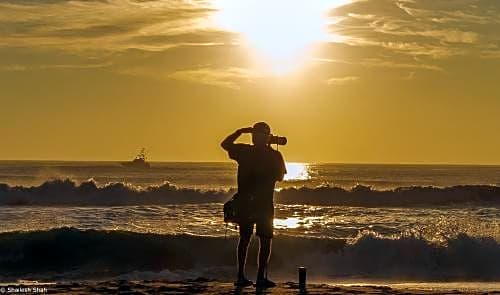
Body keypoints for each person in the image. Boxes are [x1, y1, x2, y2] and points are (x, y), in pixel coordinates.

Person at [220, 122, 287, 288]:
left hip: (250, 202)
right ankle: (257, 278)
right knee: (260, 240)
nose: (256, 137)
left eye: (257, 134)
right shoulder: (271, 155)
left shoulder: (245, 151)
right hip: (260, 203)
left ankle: (244, 277)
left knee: (249, 239)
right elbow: (280, 177)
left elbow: (225, 144)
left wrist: (239, 131)